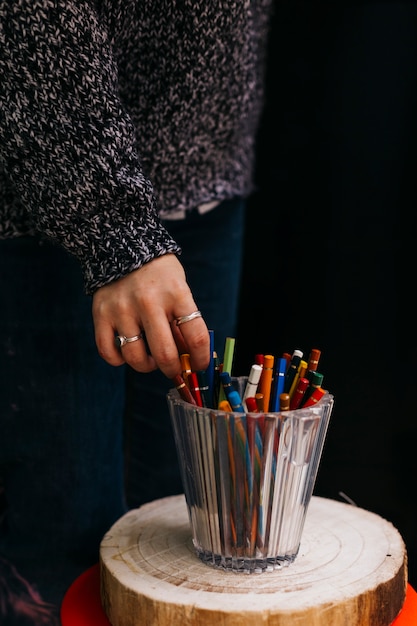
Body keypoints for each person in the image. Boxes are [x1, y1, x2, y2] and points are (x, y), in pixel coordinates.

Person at [0, 0, 275, 615]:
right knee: (62, 554)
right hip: (41, 198)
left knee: (191, 525)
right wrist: (112, 226)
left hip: (205, 178)